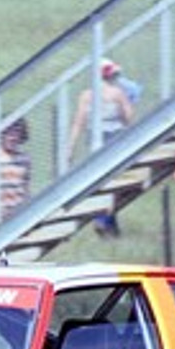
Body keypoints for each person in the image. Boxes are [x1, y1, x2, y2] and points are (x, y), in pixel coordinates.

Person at [67, 59, 135, 237]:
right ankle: (104, 221)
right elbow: (128, 117)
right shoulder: (117, 93)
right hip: (115, 143)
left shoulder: (86, 95)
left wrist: (70, 148)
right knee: (111, 184)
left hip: (95, 145)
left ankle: (106, 222)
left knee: (99, 184)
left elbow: (78, 123)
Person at [0, 118, 31, 220]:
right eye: (9, 133)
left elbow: (25, 185)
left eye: (16, 133)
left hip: (18, 210)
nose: (12, 138)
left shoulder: (24, 158)